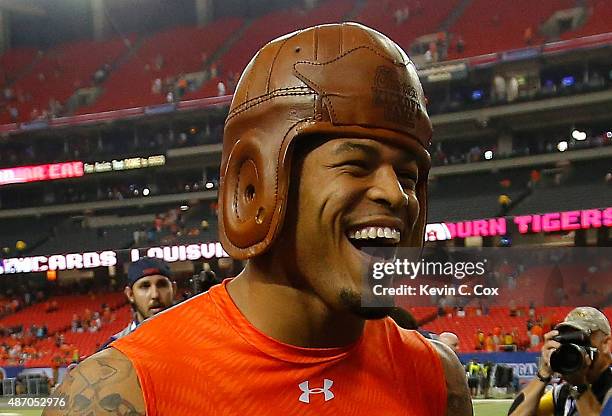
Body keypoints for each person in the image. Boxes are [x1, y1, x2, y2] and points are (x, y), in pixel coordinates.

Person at [45, 22, 471, 415]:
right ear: (256, 185)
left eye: (408, 175)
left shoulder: (438, 379)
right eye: (356, 165)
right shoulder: (119, 392)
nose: (396, 195)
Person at [508, 307, 612, 416]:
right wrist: (543, 373)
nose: (575, 347)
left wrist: (579, 386)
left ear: (605, 343)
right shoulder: (562, 392)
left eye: (581, 339)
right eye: (568, 340)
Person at [97, 257, 176, 350]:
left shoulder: (195, 337)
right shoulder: (113, 350)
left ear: (174, 289)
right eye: (145, 286)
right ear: (130, 294)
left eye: (162, 285)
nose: (155, 295)